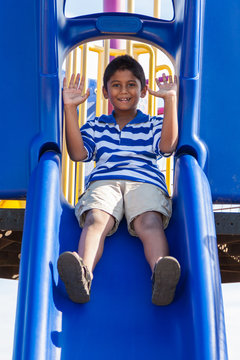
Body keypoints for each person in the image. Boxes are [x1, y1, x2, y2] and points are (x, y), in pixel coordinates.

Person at [57, 55, 180, 306]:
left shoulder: (153, 124)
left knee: (149, 221)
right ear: (105, 92)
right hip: (105, 181)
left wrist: (170, 101)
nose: (124, 91)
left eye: (131, 84)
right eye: (116, 85)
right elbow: (79, 153)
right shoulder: (95, 125)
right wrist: (70, 109)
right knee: (96, 219)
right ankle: (84, 273)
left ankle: (161, 275)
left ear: (144, 90)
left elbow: (167, 146)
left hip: (144, 181)